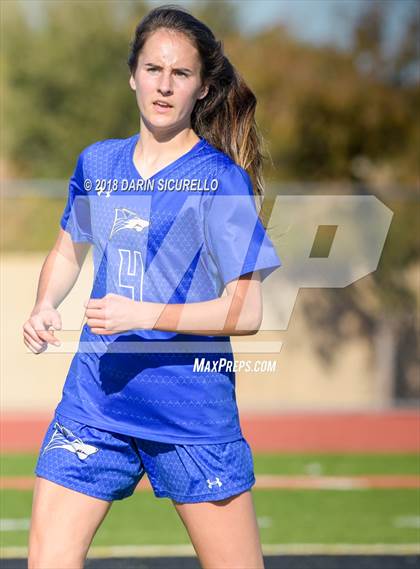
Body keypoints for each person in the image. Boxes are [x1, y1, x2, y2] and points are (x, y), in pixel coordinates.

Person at [23, 5, 282, 568]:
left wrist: (144, 312)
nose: (164, 86)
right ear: (133, 74)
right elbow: (70, 247)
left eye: (181, 74)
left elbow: (248, 309)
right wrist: (45, 303)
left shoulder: (221, 181)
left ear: (203, 88)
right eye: (153, 69)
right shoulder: (98, 163)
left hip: (189, 410)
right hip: (96, 400)